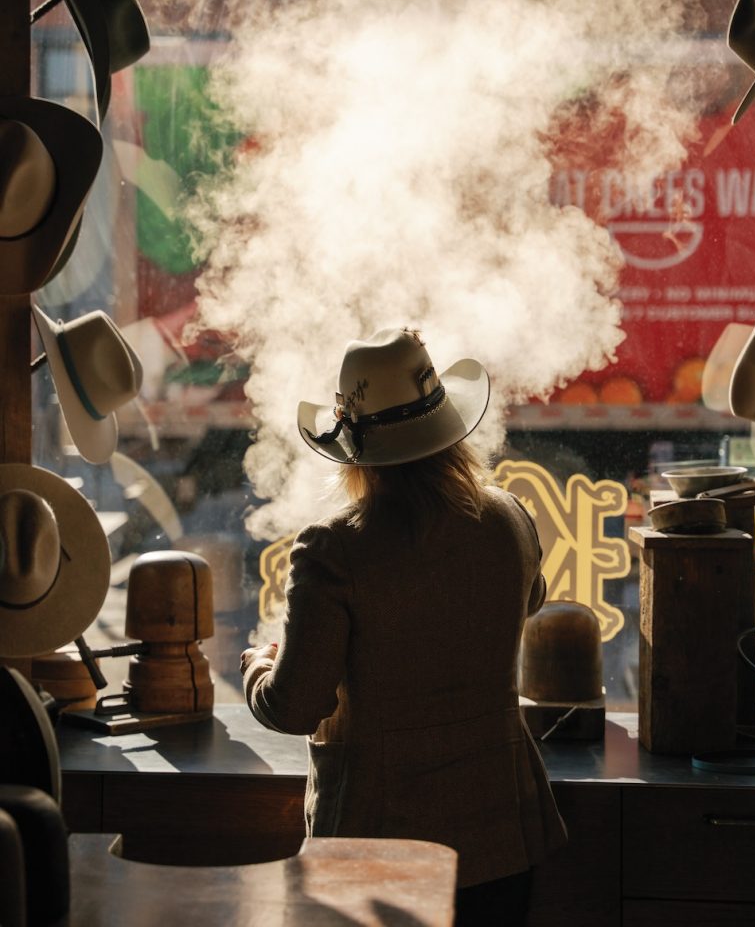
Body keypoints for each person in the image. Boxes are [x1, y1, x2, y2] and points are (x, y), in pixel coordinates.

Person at [240, 327, 567, 926]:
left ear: (355, 448)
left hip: (379, 841)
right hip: (500, 834)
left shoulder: (334, 548)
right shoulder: (509, 517)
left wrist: (259, 668)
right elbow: (529, 598)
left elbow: (293, 708)